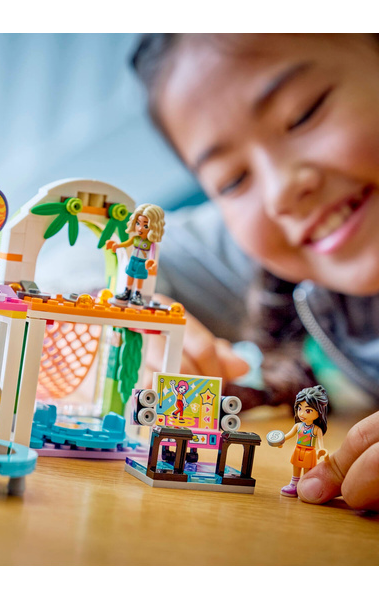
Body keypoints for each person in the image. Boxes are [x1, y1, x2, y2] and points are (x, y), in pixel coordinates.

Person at [130, 33, 379, 510]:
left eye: (304, 113)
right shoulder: (275, 251)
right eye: (233, 180)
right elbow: (83, 256)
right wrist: (130, 319)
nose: (280, 190)